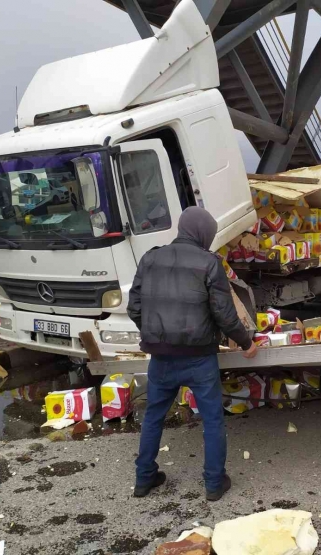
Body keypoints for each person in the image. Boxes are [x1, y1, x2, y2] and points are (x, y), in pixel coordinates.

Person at [127, 207, 258, 501]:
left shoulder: (150, 259)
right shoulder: (209, 263)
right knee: (212, 419)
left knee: (153, 418)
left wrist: (157, 334)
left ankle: (144, 479)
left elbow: (135, 308)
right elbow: (224, 314)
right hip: (199, 358)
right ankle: (213, 484)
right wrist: (246, 342)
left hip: (160, 359)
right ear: (203, 234)